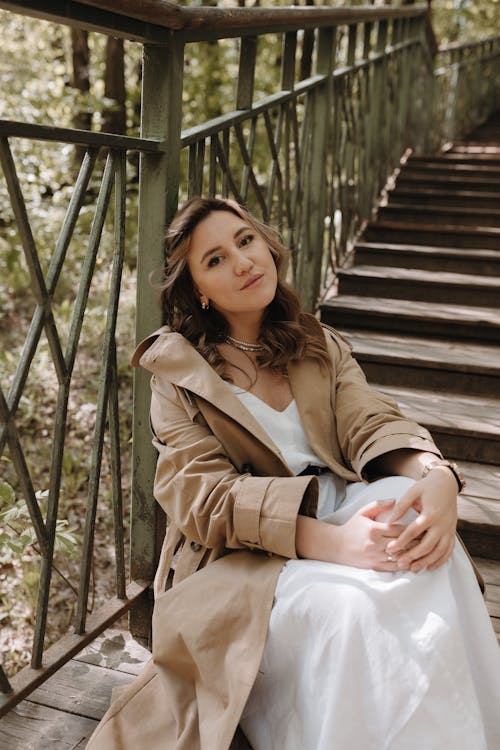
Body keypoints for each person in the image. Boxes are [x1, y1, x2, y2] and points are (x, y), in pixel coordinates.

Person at [87, 197, 500, 750]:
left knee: (426, 539)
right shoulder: (179, 372)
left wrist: (439, 477)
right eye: (214, 259)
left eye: (245, 240)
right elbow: (204, 499)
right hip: (247, 558)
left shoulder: (314, 342)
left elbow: (371, 422)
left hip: (339, 510)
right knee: (353, 609)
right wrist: (334, 544)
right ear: (199, 292)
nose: (241, 261)